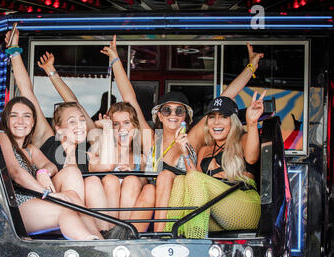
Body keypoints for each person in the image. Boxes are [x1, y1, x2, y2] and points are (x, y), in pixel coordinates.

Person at [103, 35, 264, 232]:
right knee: (148, 187)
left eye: (179, 111)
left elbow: (225, 99)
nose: (172, 115)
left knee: (163, 178)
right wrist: (115, 60)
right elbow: (130, 99)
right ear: (159, 116)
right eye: (166, 110)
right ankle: (126, 238)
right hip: (151, 203)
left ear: (186, 118)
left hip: (182, 204)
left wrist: (251, 68)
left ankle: (160, 237)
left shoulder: (193, 138)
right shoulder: (152, 138)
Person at [5, 29, 115, 233]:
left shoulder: (87, 149)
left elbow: (75, 105)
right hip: (51, 202)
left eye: (82, 120)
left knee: (92, 182)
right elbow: (27, 91)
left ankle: (106, 234)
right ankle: (86, 231)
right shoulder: (48, 139)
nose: (80, 125)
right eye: (72, 122)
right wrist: (14, 51)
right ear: (59, 128)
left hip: (77, 209)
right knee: (72, 172)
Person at [0, 96, 103, 240]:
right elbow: (16, 173)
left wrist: (43, 172)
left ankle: (100, 240)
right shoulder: (2, 136)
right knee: (66, 209)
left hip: (35, 200)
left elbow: (50, 165)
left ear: (33, 121)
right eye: (14, 116)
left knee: (72, 196)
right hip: (15, 204)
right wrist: (47, 193)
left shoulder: (30, 149)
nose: (21, 121)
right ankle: (91, 246)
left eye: (26, 116)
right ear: (6, 120)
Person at [164, 91, 266, 239]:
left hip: (245, 207)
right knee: (180, 180)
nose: (216, 123)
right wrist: (184, 151)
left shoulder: (242, 140)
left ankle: (195, 245)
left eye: (224, 117)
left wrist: (252, 123)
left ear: (233, 121)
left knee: (194, 178)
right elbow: (193, 179)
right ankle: (169, 241)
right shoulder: (205, 150)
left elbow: (251, 158)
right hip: (217, 213)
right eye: (212, 117)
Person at [88, 102, 155, 234]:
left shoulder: (140, 158)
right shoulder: (99, 152)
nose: (121, 128)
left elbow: (145, 184)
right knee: (111, 180)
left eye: (126, 123)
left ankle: (123, 233)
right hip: (103, 220)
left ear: (135, 127)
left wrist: (133, 175)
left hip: (130, 216)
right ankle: (109, 232)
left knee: (132, 180)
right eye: (115, 124)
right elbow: (92, 172)